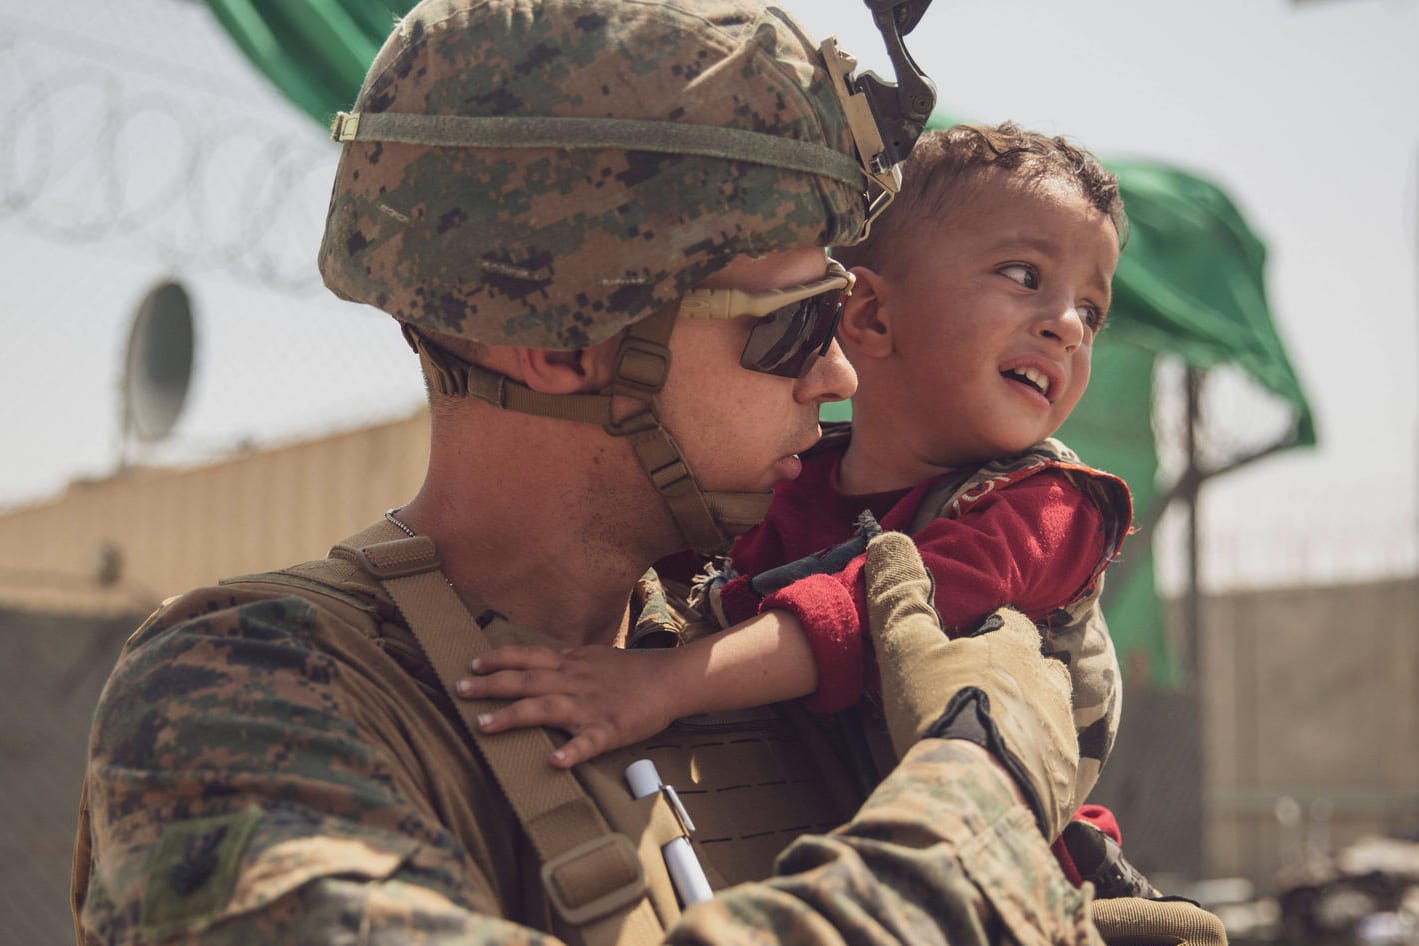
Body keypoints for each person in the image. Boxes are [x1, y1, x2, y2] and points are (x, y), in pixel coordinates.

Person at [69, 2, 1111, 944]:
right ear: (568, 343)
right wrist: (982, 803)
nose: (837, 370)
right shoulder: (246, 698)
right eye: (792, 325)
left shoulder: (742, 643)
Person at [456, 123, 1130, 815]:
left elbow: (877, 611)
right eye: (1024, 277)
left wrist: (662, 683)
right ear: (867, 314)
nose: (1068, 327)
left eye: (1090, 310)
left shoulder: (1052, 507)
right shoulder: (787, 477)